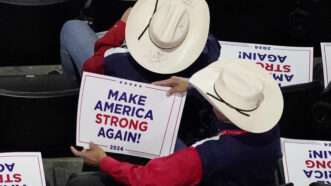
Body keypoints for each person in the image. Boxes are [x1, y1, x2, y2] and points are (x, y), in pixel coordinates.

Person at [68, 60, 284, 186]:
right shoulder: (268, 127)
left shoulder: (206, 155)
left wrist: (104, 161)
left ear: (224, 113)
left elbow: (145, 180)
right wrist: (191, 85)